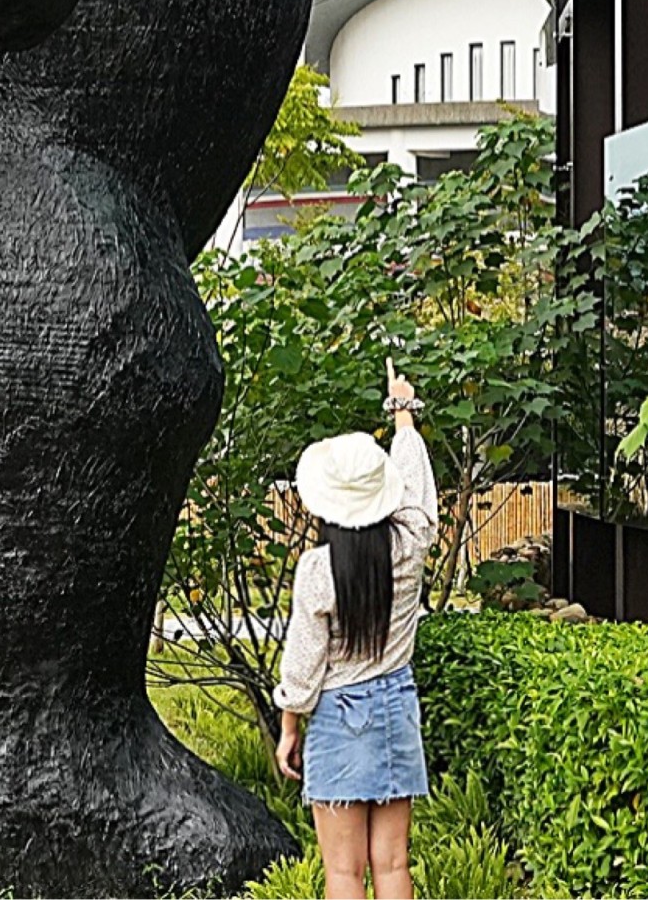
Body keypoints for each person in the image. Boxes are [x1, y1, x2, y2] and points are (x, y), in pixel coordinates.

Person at [274, 361, 437, 900]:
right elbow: (417, 500)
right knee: (393, 866)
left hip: (339, 719)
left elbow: (303, 665)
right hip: (395, 708)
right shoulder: (408, 549)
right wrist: (404, 418)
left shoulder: (318, 571)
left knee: (343, 874)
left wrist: (290, 728)